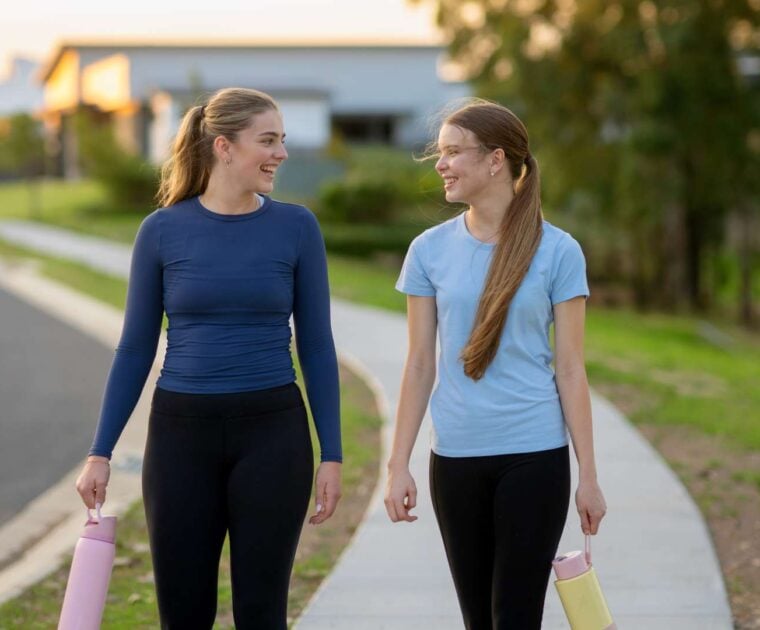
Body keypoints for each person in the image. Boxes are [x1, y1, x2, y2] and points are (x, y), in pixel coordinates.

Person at [74, 87, 342, 629]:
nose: (281, 154)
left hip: (273, 434)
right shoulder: (162, 231)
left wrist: (332, 453)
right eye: (267, 141)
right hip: (180, 437)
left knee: (262, 613)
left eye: (282, 141)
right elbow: (134, 346)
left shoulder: (297, 228)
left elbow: (316, 344)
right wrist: (100, 451)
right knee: (183, 613)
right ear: (223, 147)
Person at [384, 99, 607, 629]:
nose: (441, 164)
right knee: (477, 617)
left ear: (495, 160)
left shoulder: (558, 251)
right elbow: (419, 365)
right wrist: (397, 465)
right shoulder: (428, 250)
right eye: (441, 153)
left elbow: (571, 369)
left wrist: (590, 475)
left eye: (453, 152)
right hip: (457, 455)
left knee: (516, 614)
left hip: (535, 455)